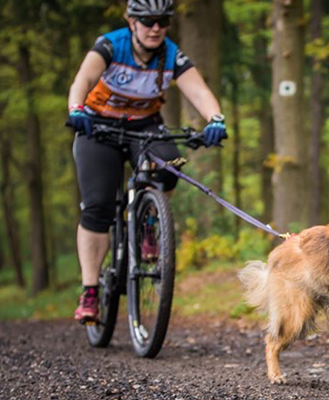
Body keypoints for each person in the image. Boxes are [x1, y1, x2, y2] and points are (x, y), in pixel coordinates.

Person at [67, 0, 226, 323]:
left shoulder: (171, 54)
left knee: (170, 165)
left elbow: (199, 91)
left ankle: (150, 223)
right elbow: (81, 82)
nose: (156, 28)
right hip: (98, 127)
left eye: (163, 21)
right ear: (131, 21)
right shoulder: (111, 45)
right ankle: (90, 291)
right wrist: (76, 109)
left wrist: (215, 119)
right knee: (98, 206)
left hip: (145, 127)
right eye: (148, 20)